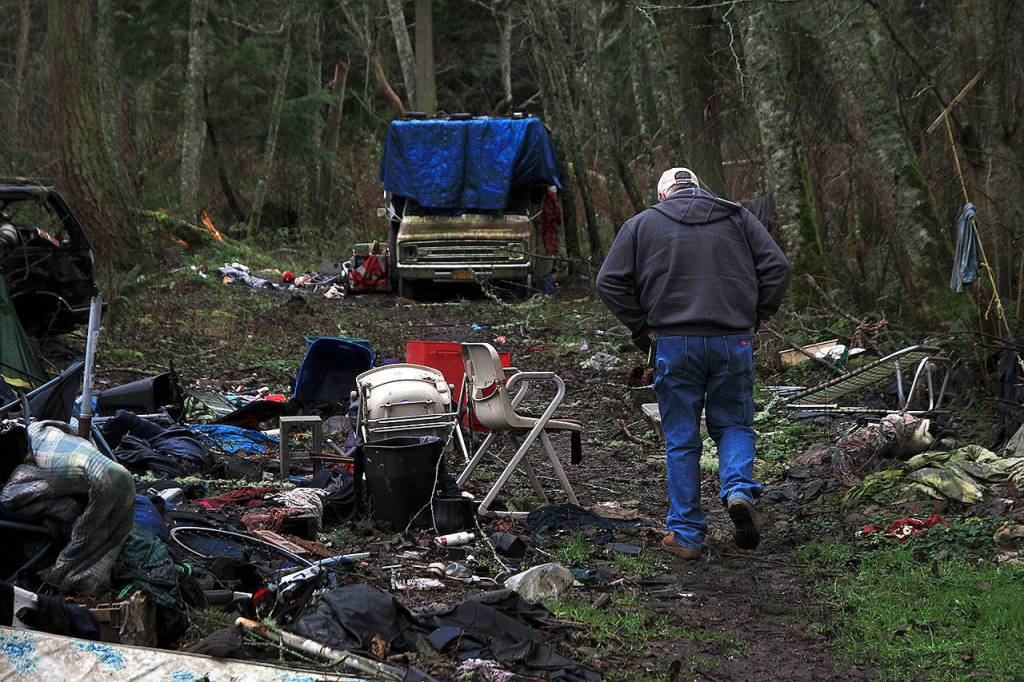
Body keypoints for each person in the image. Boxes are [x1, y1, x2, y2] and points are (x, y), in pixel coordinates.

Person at [596, 167, 791, 559]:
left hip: (673, 341)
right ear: (699, 189)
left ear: (664, 195)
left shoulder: (642, 224)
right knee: (734, 422)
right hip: (731, 338)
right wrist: (755, 316)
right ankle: (738, 490)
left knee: (681, 438)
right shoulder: (738, 217)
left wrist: (642, 327)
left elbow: (609, 281)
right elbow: (778, 268)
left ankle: (686, 535)